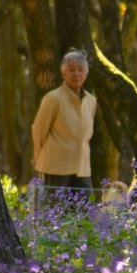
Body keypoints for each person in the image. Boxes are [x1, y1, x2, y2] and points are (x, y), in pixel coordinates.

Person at [32, 48, 96, 190]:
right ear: (63, 73)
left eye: (81, 69)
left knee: (87, 210)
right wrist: (38, 156)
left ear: (86, 72)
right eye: (72, 70)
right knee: (56, 210)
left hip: (82, 167)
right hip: (57, 166)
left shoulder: (91, 101)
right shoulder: (53, 98)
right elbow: (39, 130)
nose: (77, 74)